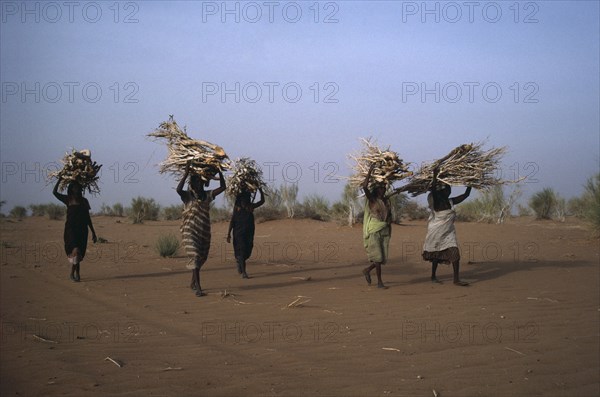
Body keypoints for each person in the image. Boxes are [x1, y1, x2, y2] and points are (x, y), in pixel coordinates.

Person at [177, 163, 226, 297]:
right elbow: (178, 190)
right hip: (189, 230)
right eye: (195, 182)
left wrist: (220, 171)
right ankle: (198, 287)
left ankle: (193, 282)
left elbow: (223, 187)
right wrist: (186, 173)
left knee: (202, 256)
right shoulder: (187, 196)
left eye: (200, 182)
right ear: (192, 184)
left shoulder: (207, 195)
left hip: (203, 230)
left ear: (203, 183)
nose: (198, 185)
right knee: (195, 256)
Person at [422, 166, 471, 286]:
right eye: (447, 189)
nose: (449, 191)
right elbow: (433, 189)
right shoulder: (438, 203)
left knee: (455, 253)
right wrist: (434, 175)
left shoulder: (450, 201)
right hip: (436, 231)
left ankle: (456, 279)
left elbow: (465, 195)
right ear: (442, 192)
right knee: (435, 254)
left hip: (448, 233)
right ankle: (433, 276)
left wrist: (470, 183)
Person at [361, 164, 403, 289]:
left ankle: (367, 270)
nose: (383, 190)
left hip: (384, 231)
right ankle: (380, 282)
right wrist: (370, 170)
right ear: (375, 189)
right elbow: (364, 186)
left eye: (384, 188)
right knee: (378, 258)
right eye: (380, 188)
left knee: (381, 258)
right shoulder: (372, 200)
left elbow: (388, 215)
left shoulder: (386, 201)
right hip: (374, 230)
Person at [53, 177, 97, 282]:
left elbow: (87, 218)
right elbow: (54, 192)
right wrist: (59, 179)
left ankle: (78, 273)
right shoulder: (68, 199)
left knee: (79, 253)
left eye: (79, 188)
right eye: (75, 188)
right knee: (76, 251)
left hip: (82, 230)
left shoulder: (84, 201)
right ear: (71, 189)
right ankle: (72, 274)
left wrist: (93, 232)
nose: (78, 190)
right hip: (70, 230)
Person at [226, 188, 265, 279]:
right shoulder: (237, 208)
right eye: (242, 200)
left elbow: (262, 201)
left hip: (249, 233)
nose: (243, 202)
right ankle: (244, 272)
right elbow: (232, 221)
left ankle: (239, 262)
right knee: (242, 251)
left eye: (245, 199)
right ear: (239, 200)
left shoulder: (250, 207)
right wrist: (228, 234)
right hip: (238, 234)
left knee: (248, 251)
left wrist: (260, 190)